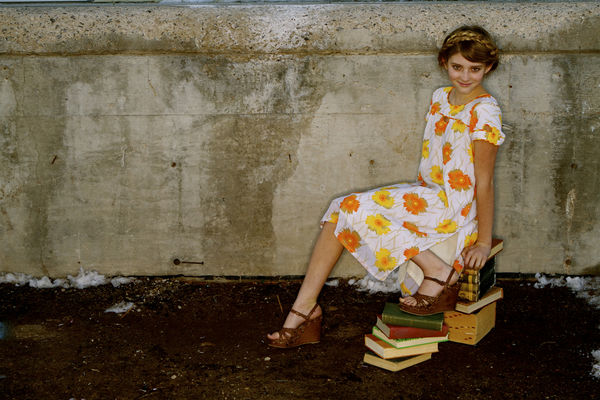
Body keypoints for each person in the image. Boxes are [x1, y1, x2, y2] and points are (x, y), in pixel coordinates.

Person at [267, 26, 504, 348]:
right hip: (427, 193)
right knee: (340, 211)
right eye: (457, 67)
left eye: (474, 69)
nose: (465, 76)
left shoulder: (485, 111)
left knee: (350, 207)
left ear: (488, 68)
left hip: (453, 204)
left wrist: (484, 242)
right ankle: (305, 308)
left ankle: (437, 271)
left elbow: (484, 181)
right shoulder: (440, 97)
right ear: (444, 63)